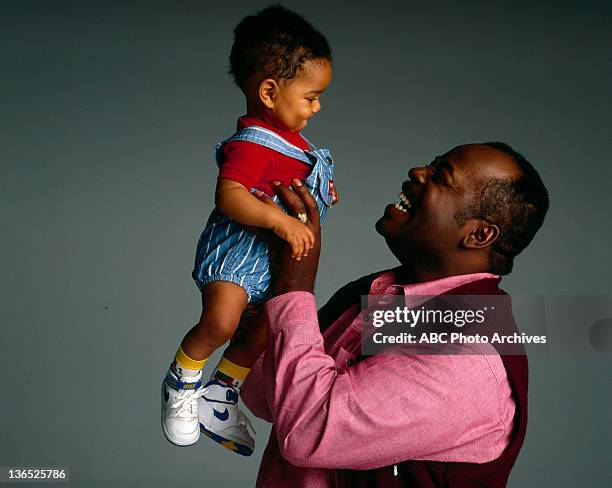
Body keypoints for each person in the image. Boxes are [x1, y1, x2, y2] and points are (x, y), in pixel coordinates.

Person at [238, 142, 549, 487]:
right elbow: (265, 398)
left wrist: (293, 284)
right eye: (432, 164)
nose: (417, 172)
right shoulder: (378, 292)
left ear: (478, 235)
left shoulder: (466, 350)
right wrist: (263, 286)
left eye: (440, 176)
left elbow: (307, 432)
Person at [161, 5, 338, 455]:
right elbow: (231, 197)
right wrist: (279, 218)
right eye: (311, 96)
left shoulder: (299, 147)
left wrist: (321, 193)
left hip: (271, 261)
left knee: (263, 333)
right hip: (238, 253)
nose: (317, 107)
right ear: (268, 90)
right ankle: (182, 382)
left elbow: (294, 186)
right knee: (222, 322)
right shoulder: (253, 143)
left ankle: (220, 395)